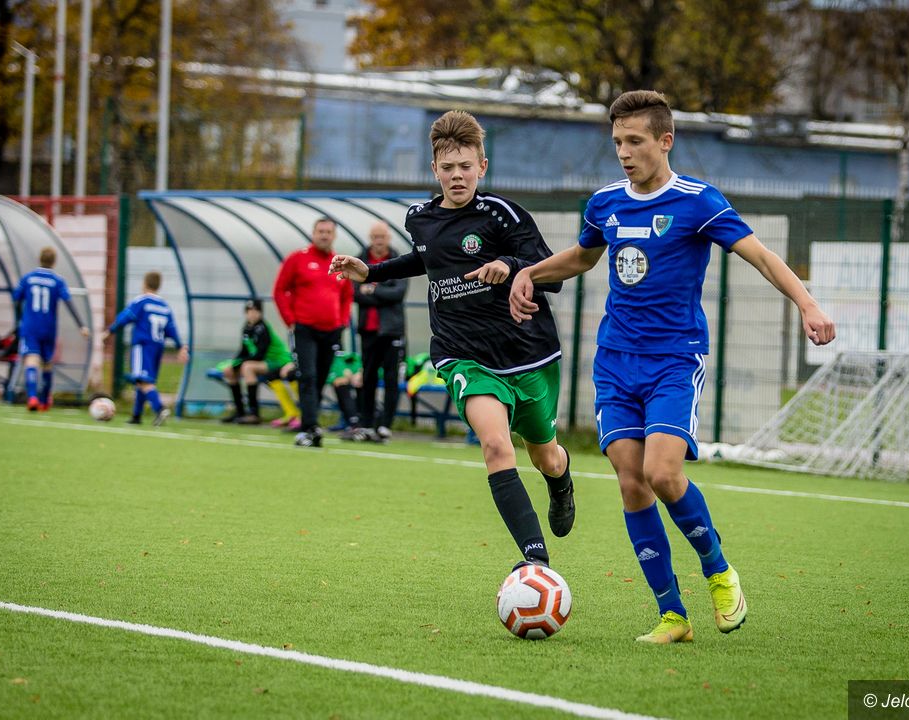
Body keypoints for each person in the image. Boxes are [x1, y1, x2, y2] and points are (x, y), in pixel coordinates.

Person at [509, 90, 836, 644]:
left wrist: (807, 304)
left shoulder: (697, 201)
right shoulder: (605, 203)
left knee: (662, 474)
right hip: (615, 362)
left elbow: (760, 255)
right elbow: (584, 257)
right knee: (631, 481)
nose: (623, 152)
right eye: (617, 142)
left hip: (674, 360)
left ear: (665, 141)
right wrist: (529, 272)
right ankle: (672, 615)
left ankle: (719, 571)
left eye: (634, 141)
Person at [330, 110, 575, 573]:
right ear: (434, 170)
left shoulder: (502, 214)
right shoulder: (420, 218)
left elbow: (553, 273)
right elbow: (429, 258)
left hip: (527, 353)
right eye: (448, 167)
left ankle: (560, 482)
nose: (457, 175)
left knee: (544, 454)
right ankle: (535, 562)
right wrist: (372, 271)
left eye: (465, 166)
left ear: (482, 166)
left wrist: (510, 266)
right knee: (496, 446)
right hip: (463, 354)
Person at [273, 217, 354, 447]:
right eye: (320, 231)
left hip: (332, 331)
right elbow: (280, 290)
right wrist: (290, 320)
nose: (324, 235)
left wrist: (342, 321)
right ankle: (309, 427)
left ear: (334, 235)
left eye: (328, 232)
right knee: (307, 376)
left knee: (319, 378)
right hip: (305, 329)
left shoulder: (339, 263)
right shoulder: (297, 259)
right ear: (313, 233)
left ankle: (310, 423)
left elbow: (347, 295)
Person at [101, 271, 188, 426]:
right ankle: (136, 416)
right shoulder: (164, 306)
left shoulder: (141, 301)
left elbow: (125, 317)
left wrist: (110, 331)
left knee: (143, 380)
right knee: (142, 380)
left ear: (144, 283)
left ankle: (159, 408)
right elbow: (171, 329)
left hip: (143, 345)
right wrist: (180, 347)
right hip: (157, 348)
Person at [12, 247, 90, 411]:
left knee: (31, 360)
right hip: (49, 328)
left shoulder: (28, 278)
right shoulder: (58, 281)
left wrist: (20, 318)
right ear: (54, 262)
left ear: (39, 259)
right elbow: (69, 303)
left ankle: (32, 397)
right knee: (47, 364)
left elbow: (16, 297)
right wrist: (81, 325)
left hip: (30, 326)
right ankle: (45, 401)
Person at [352, 221, 407, 442]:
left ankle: (385, 425)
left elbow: (398, 294)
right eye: (375, 237)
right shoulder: (360, 259)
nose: (378, 241)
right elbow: (355, 293)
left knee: (391, 378)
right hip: (368, 330)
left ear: (388, 238)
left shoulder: (398, 260)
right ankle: (366, 423)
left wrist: (373, 289)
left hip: (391, 330)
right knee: (368, 378)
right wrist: (380, 292)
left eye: (382, 237)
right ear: (370, 238)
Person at [221, 298, 293, 424]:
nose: (252, 314)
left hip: (277, 361)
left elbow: (260, 354)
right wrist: (233, 364)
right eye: (249, 311)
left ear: (260, 313)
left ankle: (254, 414)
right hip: (262, 362)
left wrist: (240, 363)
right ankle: (240, 411)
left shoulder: (263, 328)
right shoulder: (247, 328)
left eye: (255, 311)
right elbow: (243, 351)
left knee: (247, 367)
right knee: (230, 371)